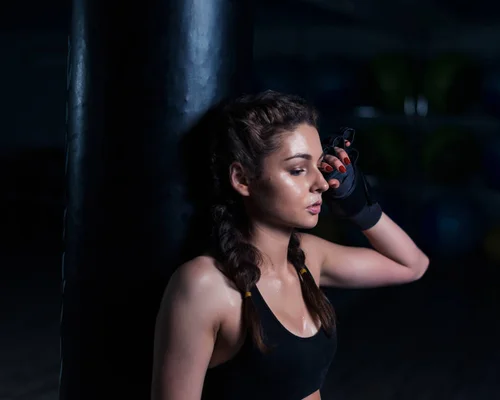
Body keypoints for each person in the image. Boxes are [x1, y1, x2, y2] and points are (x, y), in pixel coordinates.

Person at [151, 90, 429, 400]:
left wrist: (359, 206)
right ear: (242, 180)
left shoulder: (309, 257)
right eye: (298, 170)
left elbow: (413, 265)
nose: (321, 183)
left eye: (319, 166)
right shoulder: (205, 285)